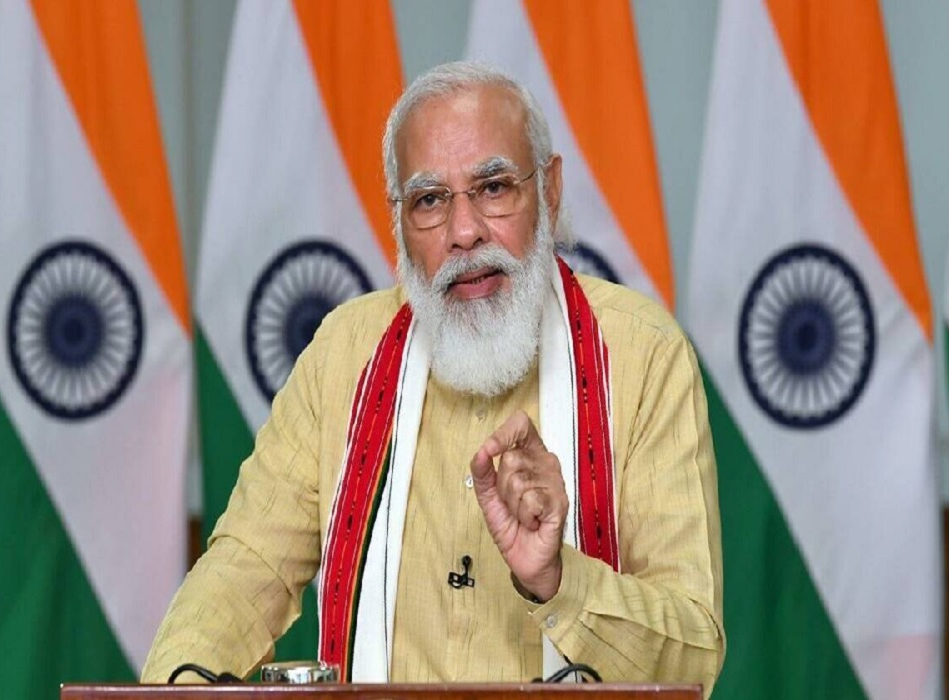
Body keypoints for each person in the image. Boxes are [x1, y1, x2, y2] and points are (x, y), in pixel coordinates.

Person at [141, 61, 725, 694]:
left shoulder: (643, 355)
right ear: (398, 220)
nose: (464, 232)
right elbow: (244, 571)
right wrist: (172, 684)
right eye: (429, 200)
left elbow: (693, 656)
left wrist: (561, 581)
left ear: (550, 191)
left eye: (494, 188)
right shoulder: (346, 354)